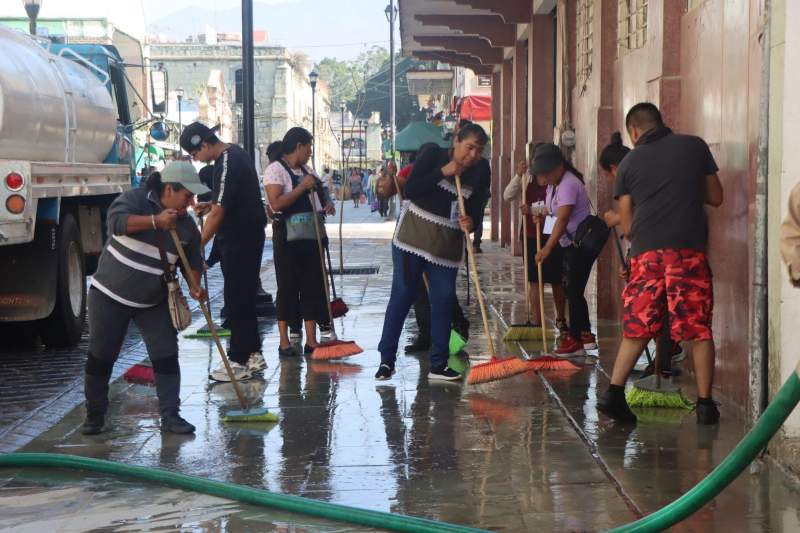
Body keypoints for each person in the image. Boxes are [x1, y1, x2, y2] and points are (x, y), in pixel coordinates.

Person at [597, 103, 724, 425]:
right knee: (697, 328)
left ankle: (613, 393)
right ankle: (706, 405)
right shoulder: (695, 146)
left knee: (638, 325)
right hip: (687, 253)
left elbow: (627, 225)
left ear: (634, 131)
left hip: (646, 255)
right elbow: (716, 196)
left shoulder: (627, 164)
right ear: (659, 122)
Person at [82, 162, 208, 435]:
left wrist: (196, 287)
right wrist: (155, 221)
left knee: (165, 354)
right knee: (102, 356)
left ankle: (171, 416)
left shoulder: (187, 228)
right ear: (170, 190)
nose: (191, 202)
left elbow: (193, 264)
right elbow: (116, 224)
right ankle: (94, 417)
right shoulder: (134, 200)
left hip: (153, 302)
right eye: (187, 195)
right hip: (108, 296)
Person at [375, 123, 488, 381]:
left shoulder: (480, 170)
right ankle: (386, 360)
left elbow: (476, 206)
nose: (473, 155)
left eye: (479, 151)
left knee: (444, 299)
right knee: (402, 296)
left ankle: (438, 363)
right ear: (456, 141)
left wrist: (471, 223)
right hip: (413, 238)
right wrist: (443, 171)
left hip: (445, 245)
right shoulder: (433, 155)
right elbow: (412, 190)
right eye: (469, 148)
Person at [181, 122, 268, 382]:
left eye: (195, 155)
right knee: (241, 296)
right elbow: (225, 202)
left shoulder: (228, 160)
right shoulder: (233, 156)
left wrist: (198, 244)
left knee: (237, 298)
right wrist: (210, 205)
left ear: (205, 145)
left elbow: (221, 212)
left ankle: (239, 359)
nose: (197, 160)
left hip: (241, 239)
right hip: (244, 236)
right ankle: (252, 352)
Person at [264, 127, 336, 357]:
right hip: (287, 238)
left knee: (312, 287)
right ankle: (284, 340)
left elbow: (318, 194)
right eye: (308, 147)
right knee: (287, 287)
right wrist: (301, 188)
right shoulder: (276, 170)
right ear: (298, 146)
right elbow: (275, 204)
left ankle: (312, 339)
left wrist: (324, 202)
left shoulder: (307, 170)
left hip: (311, 236)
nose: (310, 152)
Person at [532, 144, 597, 356]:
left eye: (547, 171)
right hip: (569, 244)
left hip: (580, 245)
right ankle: (582, 336)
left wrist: (547, 248)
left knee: (573, 290)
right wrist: (541, 214)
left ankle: (579, 338)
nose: (545, 176)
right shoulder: (555, 184)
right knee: (572, 289)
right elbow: (555, 211)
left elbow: (563, 219)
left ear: (560, 166)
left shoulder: (568, 183)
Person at [504, 156, 568, 333]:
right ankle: (538, 323)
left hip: (552, 236)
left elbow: (556, 209)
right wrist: (518, 175)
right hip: (530, 236)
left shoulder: (555, 182)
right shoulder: (526, 180)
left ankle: (561, 319)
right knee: (534, 279)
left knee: (556, 279)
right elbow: (507, 195)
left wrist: (532, 210)